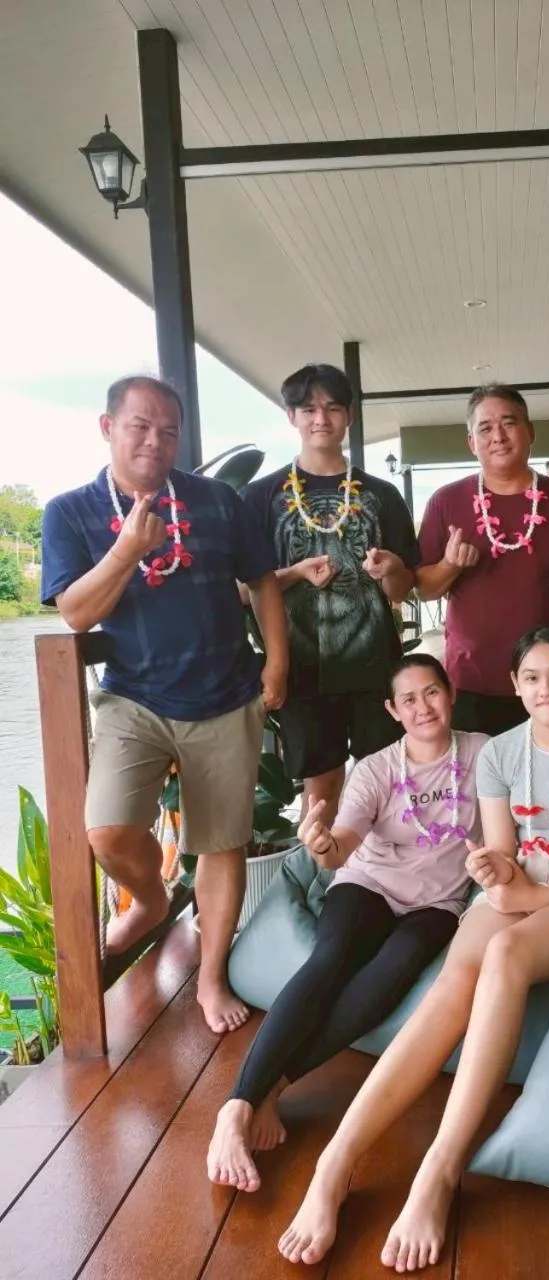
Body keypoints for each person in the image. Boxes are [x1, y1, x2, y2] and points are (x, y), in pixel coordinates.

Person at [277, 625, 549, 1270]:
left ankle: (439, 1169)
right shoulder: (501, 754)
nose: (545, 689)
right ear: (514, 686)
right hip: (518, 884)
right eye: (531, 678)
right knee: (452, 986)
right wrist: (497, 873)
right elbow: (505, 852)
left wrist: (540, 899)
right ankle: (334, 1162)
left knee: (505, 958)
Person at [40, 375, 288, 1034]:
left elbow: (262, 578)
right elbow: (75, 612)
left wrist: (278, 660)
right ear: (107, 427)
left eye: (169, 430)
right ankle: (150, 897)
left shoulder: (217, 501)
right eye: (140, 426)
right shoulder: (70, 512)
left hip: (226, 692)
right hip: (134, 698)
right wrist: (128, 548)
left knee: (222, 845)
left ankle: (210, 981)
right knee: (108, 830)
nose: (156, 440)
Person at [205, 653, 488, 1192]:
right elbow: (344, 844)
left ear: (450, 694)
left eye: (432, 692)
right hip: (368, 884)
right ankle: (237, 1106)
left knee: (392, 970)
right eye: (409, 698)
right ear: (392, 710)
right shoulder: (378, 768)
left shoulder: (484, 754)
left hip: (438, 903)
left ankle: (271, 1088)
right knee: (331, 958)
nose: (423, 706)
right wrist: (323, 846)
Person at [243, 363, 419, 819]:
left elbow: (404, 588)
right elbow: (243, 590)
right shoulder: (261, 498)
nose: (321, 418)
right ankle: (321, 883)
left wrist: (392, 568)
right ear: (291, 417)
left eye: (333, 408)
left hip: (375, 666)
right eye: (308, 409)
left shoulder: (382, 495)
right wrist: (295, 573)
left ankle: (380, 884)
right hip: (301, 669)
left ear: (349, 416)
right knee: (319, 796)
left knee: (384, 787)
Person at [416, 384, 549, 737]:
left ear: (530, 431)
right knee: (481, 787)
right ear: (471, 442)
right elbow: (424, 590)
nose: (498, 436)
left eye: (509, 423)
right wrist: (450, 565)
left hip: (548, 679)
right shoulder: (446, 502)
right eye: (485, 428)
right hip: (472, 681)